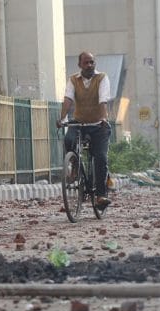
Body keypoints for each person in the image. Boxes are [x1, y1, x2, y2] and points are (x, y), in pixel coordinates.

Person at [57, 51, 112, 208]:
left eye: (92, 62)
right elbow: (68, 99)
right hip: (80, 123)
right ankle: (74, 166)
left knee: (100, 157)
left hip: (98, 125)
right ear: (80, 64)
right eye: (86, 62)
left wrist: (102, 118)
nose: (89, 65)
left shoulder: (102, 78)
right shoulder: (73, 80)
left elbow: (103, 99)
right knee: (68, 139)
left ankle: (101, 195)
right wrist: (62, 119)